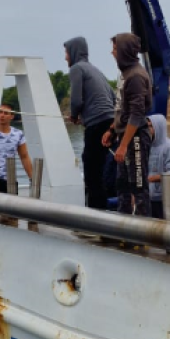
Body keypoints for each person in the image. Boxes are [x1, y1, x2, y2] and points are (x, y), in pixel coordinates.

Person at [102, 33, 152, 216]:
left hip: (136, 138)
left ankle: (143, 236)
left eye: (115, 49)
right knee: (122, 185)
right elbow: (122, 109)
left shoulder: (136, 76)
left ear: (124, 51)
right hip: (125, 136)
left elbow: (137, 114)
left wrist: (123, 146)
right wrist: (112, 131)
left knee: (138, 187)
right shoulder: (124, 74)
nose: (112, 53)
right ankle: (123, 229)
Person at [64, 36, 116, 210]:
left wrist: (74, 115)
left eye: (66, 52)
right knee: (99, 169)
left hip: (96, 125)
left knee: (91, 171)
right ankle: (102, 210)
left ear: (73, 52)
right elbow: (113, 97)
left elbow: (76, 99)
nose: (65, 57)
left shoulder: (76, 69)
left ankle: (95, 216)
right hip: (110, 123)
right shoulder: (96, 70)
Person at [146, 114, 170, 219]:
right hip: (151, 199)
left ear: (159, 127)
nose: (148, 129)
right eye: (146, 126)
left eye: (150, 126)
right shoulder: (147, 147)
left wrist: (149, 179)